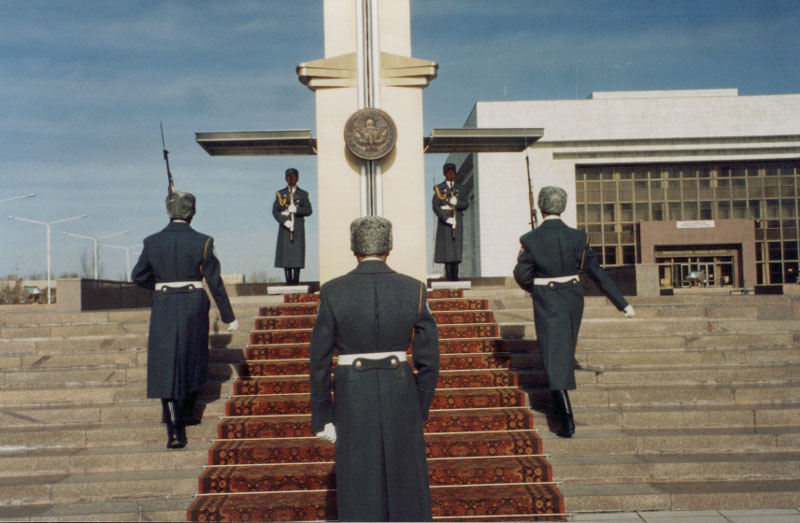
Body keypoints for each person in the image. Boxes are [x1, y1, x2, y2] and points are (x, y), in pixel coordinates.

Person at [309, 216, 440, 522]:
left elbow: (319, 360)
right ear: (388, 248)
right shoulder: (414, 289)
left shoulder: (332, 291)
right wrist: (419, 405)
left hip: (352, 393)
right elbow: (429, 359)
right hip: (401, 391)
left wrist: (322, 414)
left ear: (354, 248)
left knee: (359, 482)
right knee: (406, 481)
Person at [513, 186, 635, 438]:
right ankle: (561, 404)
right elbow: (598, 273)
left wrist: (535, 287)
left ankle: (565, 418)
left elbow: (521, 274)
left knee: (552, 351)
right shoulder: (579, 238)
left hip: (548, 296)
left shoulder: (530, 238)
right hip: (573, 297)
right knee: (563, 348)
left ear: (540, 207)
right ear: (562, 207)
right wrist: (622, 303)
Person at [132, 191, 239, 449]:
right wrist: (228, 315)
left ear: (168, 212)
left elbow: (138, 276)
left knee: (166, 365)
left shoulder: (151, 241)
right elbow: (214, 280)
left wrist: (162, 286)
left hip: (165, 304)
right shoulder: (204, 241)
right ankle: (188, 414)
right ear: (192, 213)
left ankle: (175, 433)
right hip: (193, 304)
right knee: (193, 358)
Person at [272, 167, 312, 284]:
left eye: (293, 176)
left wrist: (297, 210)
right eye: (289, 176)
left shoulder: (303, 194)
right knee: (286, 254)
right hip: (285, 227)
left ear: (297, 178)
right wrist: (284, 221)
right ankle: (288, 279)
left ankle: (296, 279)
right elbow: (275, 211)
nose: (291, 179)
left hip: (298, 227)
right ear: (286, 178)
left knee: (297, 253)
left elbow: (309, 210)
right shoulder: (281, 194)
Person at [432, 163, 469, 281]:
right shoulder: (440, 188)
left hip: (457, 219)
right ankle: (448, 275)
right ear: (444, 173)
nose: (451, 173)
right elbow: (435, 205)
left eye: (452, 171)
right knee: (447, 248)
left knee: (456, 247)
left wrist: (457, 203)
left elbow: (465, 204)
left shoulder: (460, 188)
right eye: (448, 171)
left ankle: (455, 275)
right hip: (445, 221)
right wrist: (446, 218)